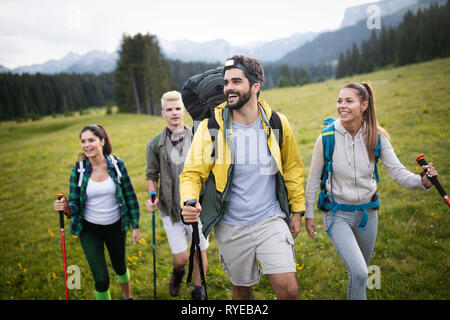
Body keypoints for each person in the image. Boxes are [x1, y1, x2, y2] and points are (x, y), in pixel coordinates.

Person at [180, 55, 306, 300]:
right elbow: (192, 173)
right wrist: (189, 200)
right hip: (231, 226)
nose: (229, 88)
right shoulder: (211, 128)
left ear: (256, 85)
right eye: (226, 83)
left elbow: (292, 168)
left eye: (236, 81)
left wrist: (298, 210)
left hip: (270, 220)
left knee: (289, 290)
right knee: (242, 291)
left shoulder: (277, 123)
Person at [304, 82, 439, 300]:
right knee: (358, 272)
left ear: (364, 105)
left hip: (367, 215)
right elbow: (312, 180)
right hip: (336, 214)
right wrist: (308, 214)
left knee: (361, 274)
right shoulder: (326, 138)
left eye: (349, 101)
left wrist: (423, 181)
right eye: (340, 100)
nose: (341, 106)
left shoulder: (377, 137)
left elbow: (398, 173)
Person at [53, 124, 141, 300]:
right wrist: (66, 208)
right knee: (101, 279)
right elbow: (74, 203)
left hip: (116, 226)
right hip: (89, 229)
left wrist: (135, 225)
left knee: (120, 267)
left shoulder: (117, 165)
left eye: (91, 140)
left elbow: (130, 195)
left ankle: (127, 296)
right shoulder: (78, 170)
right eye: (83, 141)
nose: (87, 145)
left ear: (102, 141)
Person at [145, 90, 209, 300]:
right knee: (181, 257)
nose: (174, 113)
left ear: (184, 111)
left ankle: (198, 291)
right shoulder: (154, 144)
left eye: (178, 108)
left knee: (199, 253)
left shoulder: (198, 137)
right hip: (170, 208)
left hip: (197, 207)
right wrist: (153, 196)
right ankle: (178, 271)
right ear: (163, 113)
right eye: (169, 109)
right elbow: (151, 174)